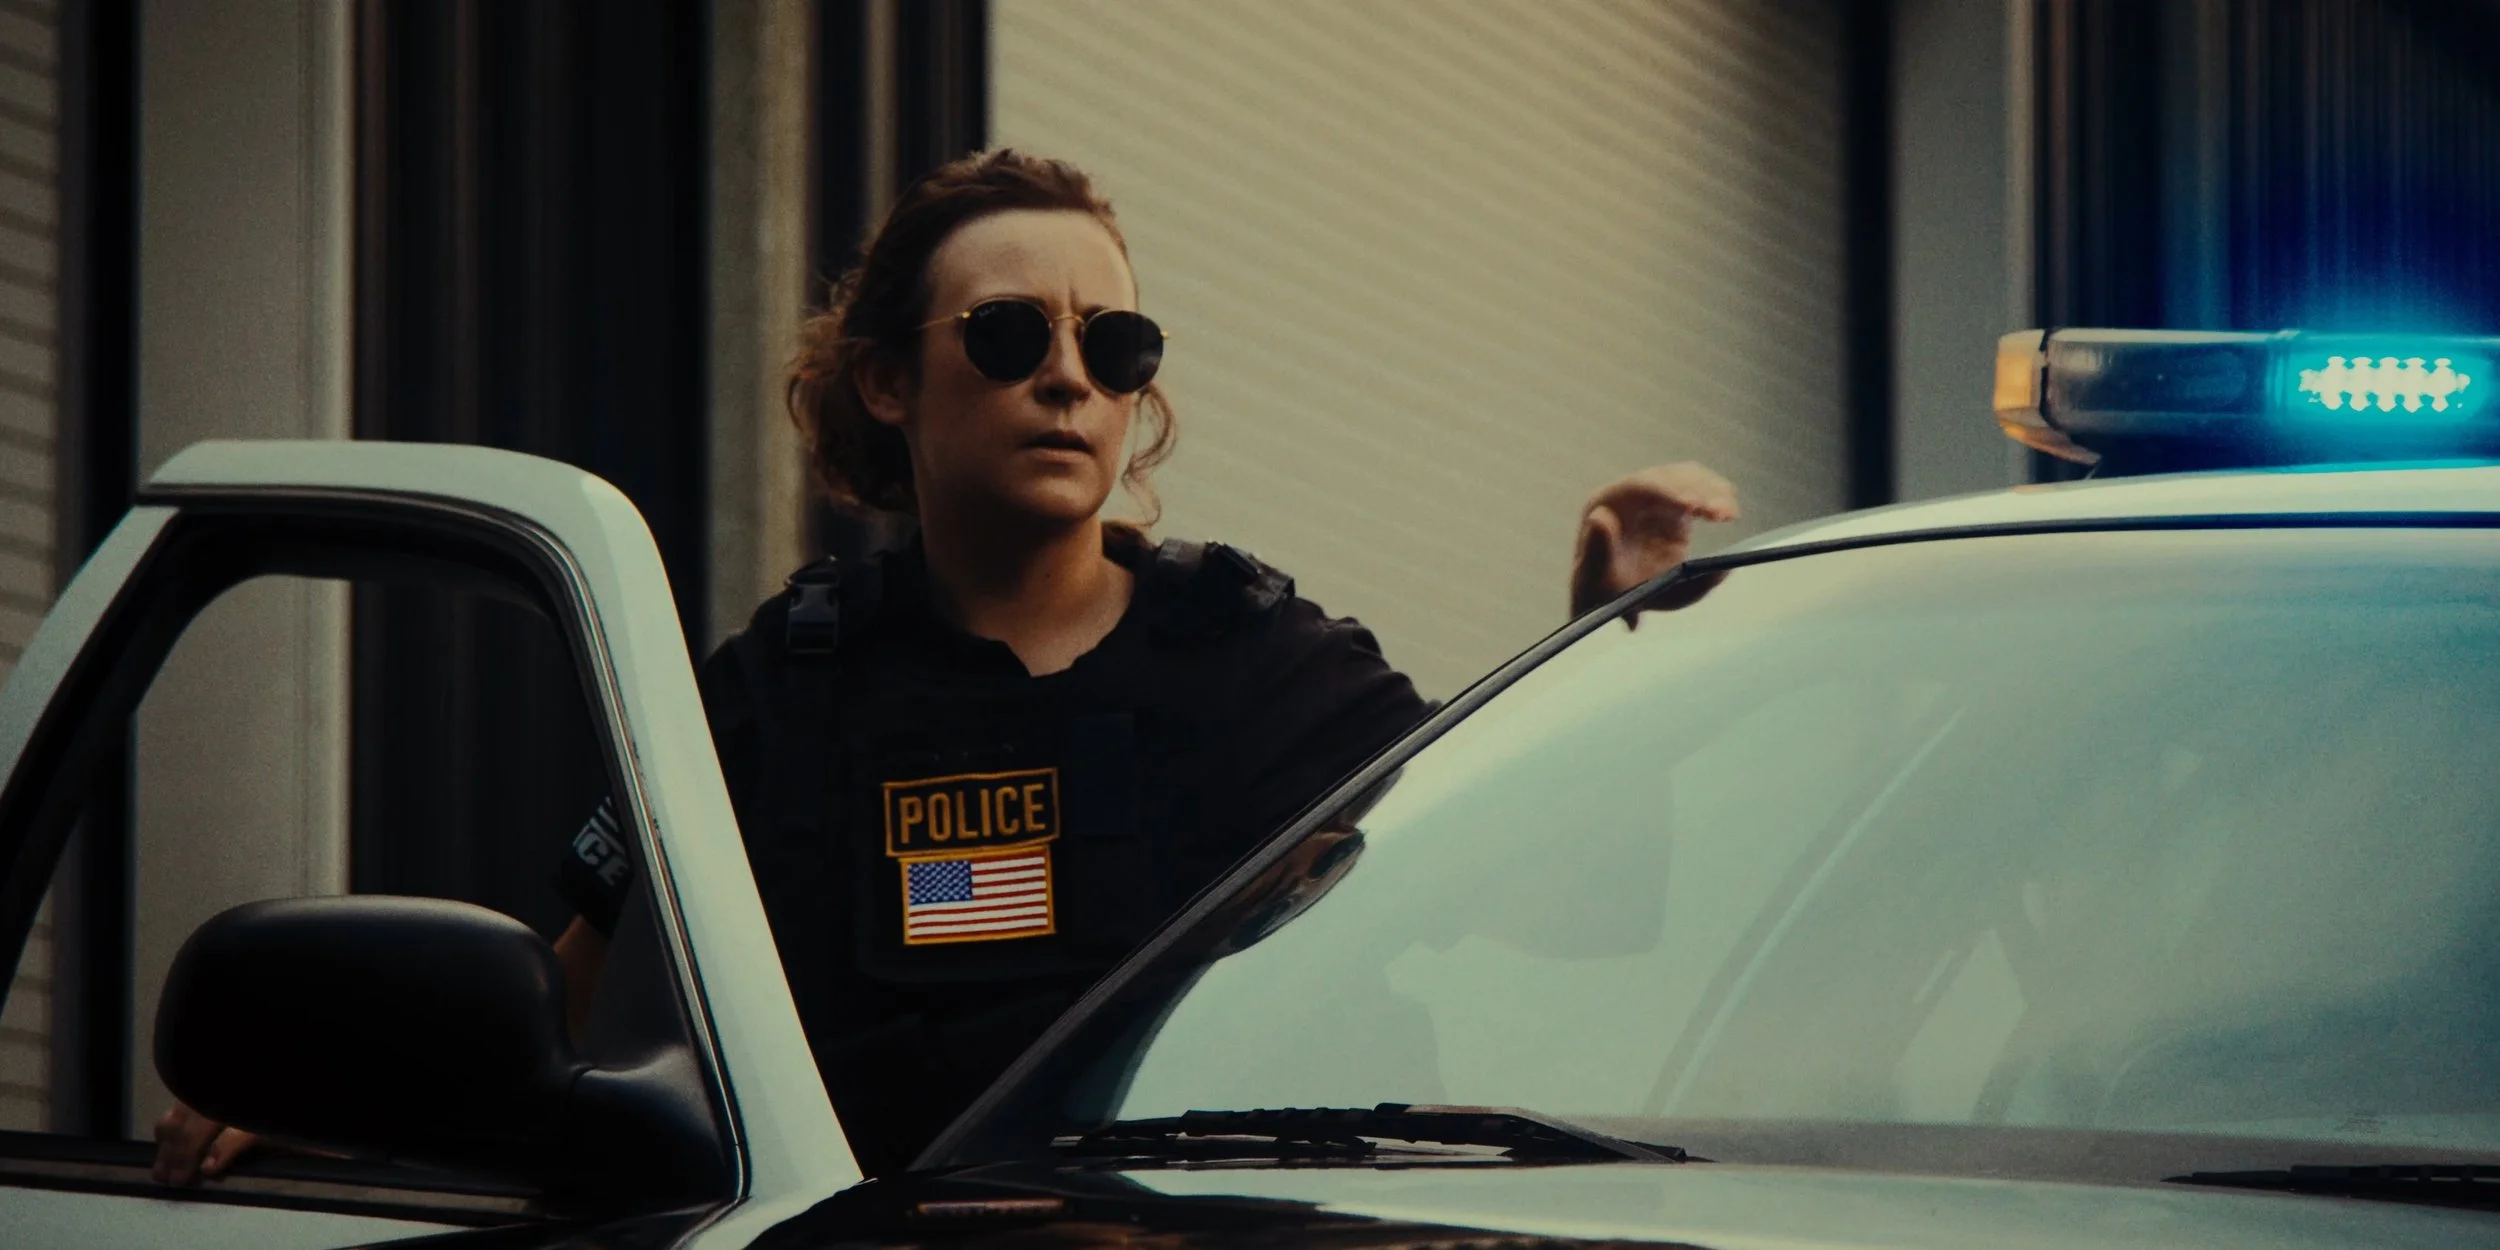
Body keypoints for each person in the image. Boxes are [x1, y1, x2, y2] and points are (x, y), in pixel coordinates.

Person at [154, 149, 1740, 1184]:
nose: (1067, 375)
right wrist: (326, 1097)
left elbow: (1570, 897)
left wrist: (1616, 630)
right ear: (886, 383)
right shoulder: (783, 687)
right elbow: (547, 993)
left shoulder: (1262, 662)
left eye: (1113, 348)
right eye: (1006, 335)